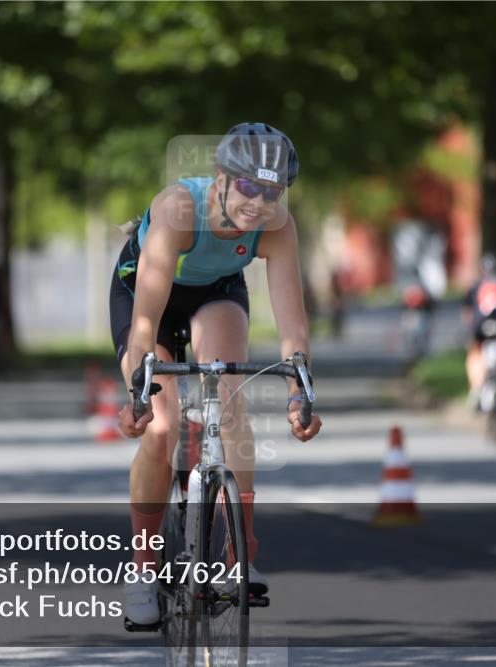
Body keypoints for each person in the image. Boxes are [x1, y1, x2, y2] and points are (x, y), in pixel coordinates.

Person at [110, 123, 323, 626]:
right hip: (147, 298)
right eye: (248, 186)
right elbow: (145, 321)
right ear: (221, 177)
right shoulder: (179, 209)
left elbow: (293, 328)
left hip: (216, 293)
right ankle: (143, 569)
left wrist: (300, 393)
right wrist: (138, 395)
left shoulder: (278, 226)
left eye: (272, 191)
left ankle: (238, 555)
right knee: (162, 427)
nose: (258, 203)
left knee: (231, 405)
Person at [463, 254, 496, 403]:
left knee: (475, 351)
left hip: (481, 327)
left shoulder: (476, 286)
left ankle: (476, 387)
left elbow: (468, 314)